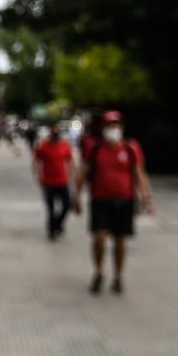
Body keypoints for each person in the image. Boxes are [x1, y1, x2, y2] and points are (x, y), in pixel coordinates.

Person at [73, 110, 155, 294]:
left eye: (116, 125)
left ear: (121, 127)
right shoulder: (95, 149)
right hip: (100, 199)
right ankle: (99, 271)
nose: (113, 129)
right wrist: (76, 196)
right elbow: (82, 172)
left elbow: (139, 173)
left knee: (120, 240)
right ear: (103, 128)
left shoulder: (130, 148)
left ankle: (118, 276)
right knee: (99, 236)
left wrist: (146, 197)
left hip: (124, 200)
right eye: (109, 125)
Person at [33, 123, 73, 240]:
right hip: (48, 182)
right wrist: (37, 175)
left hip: (62, 181)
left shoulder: (65, 145)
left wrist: (71, 175)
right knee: (51, 208)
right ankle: (51, 230)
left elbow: (70, 161)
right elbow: (36, 161)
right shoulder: (43, 146)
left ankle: (58, 223)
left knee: (66, 204)